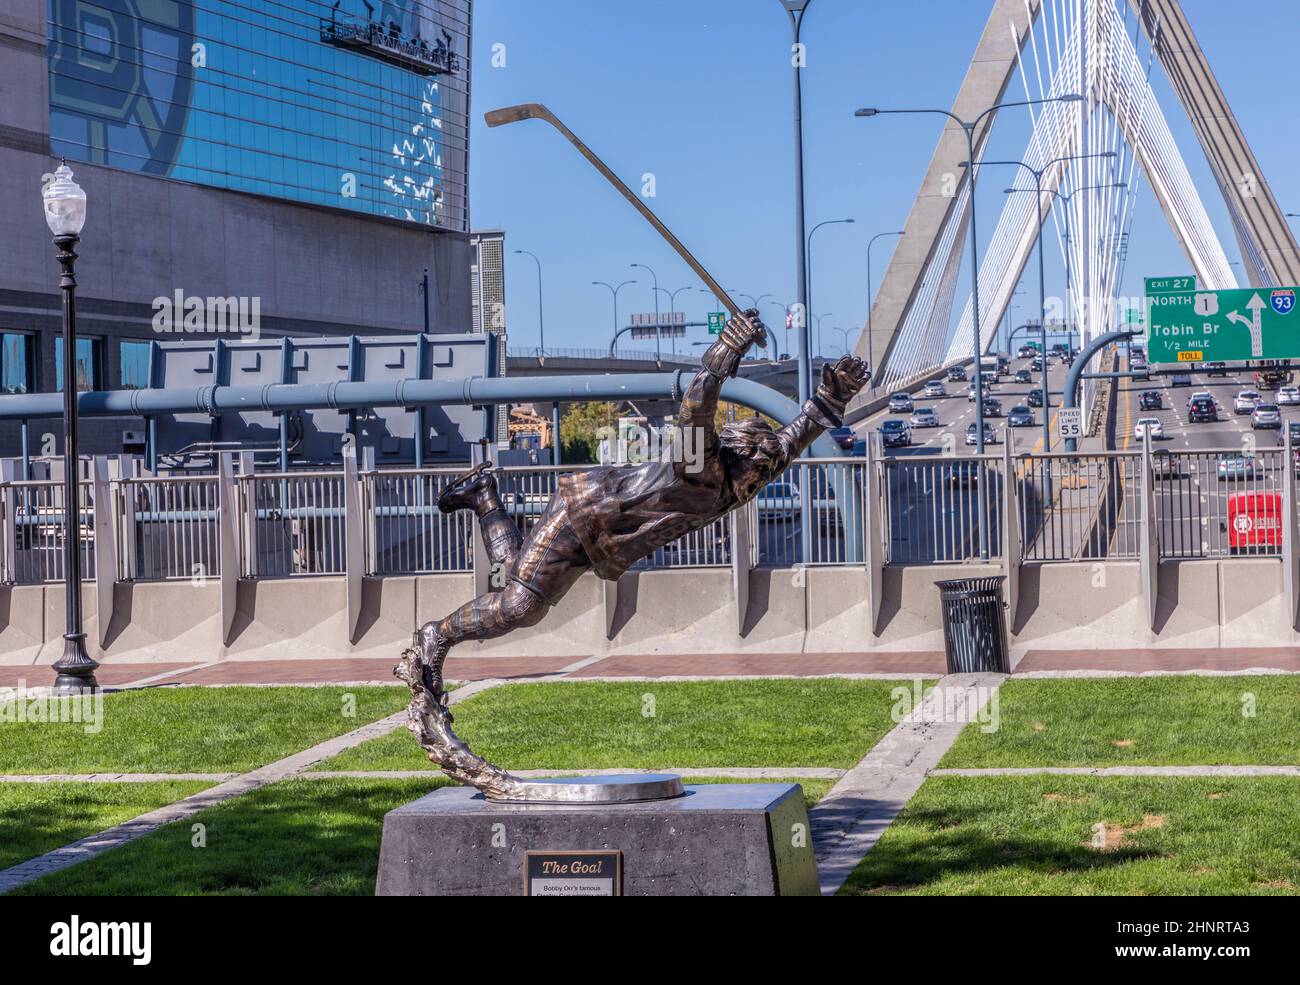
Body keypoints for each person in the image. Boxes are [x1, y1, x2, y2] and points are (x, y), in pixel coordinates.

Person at [396, 309, 868, 788]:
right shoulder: (700, 466)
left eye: (767, 472)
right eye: (758, 468)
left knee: (516, 582)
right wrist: (729, 347)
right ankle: (437, 636)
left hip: (601, 540)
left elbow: (796, 436)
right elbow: (696, 404)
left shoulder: (735, 483)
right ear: (734, 455)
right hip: (584, 513)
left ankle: (483, 496)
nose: (762, 477)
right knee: (521, 603)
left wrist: (832, 397)